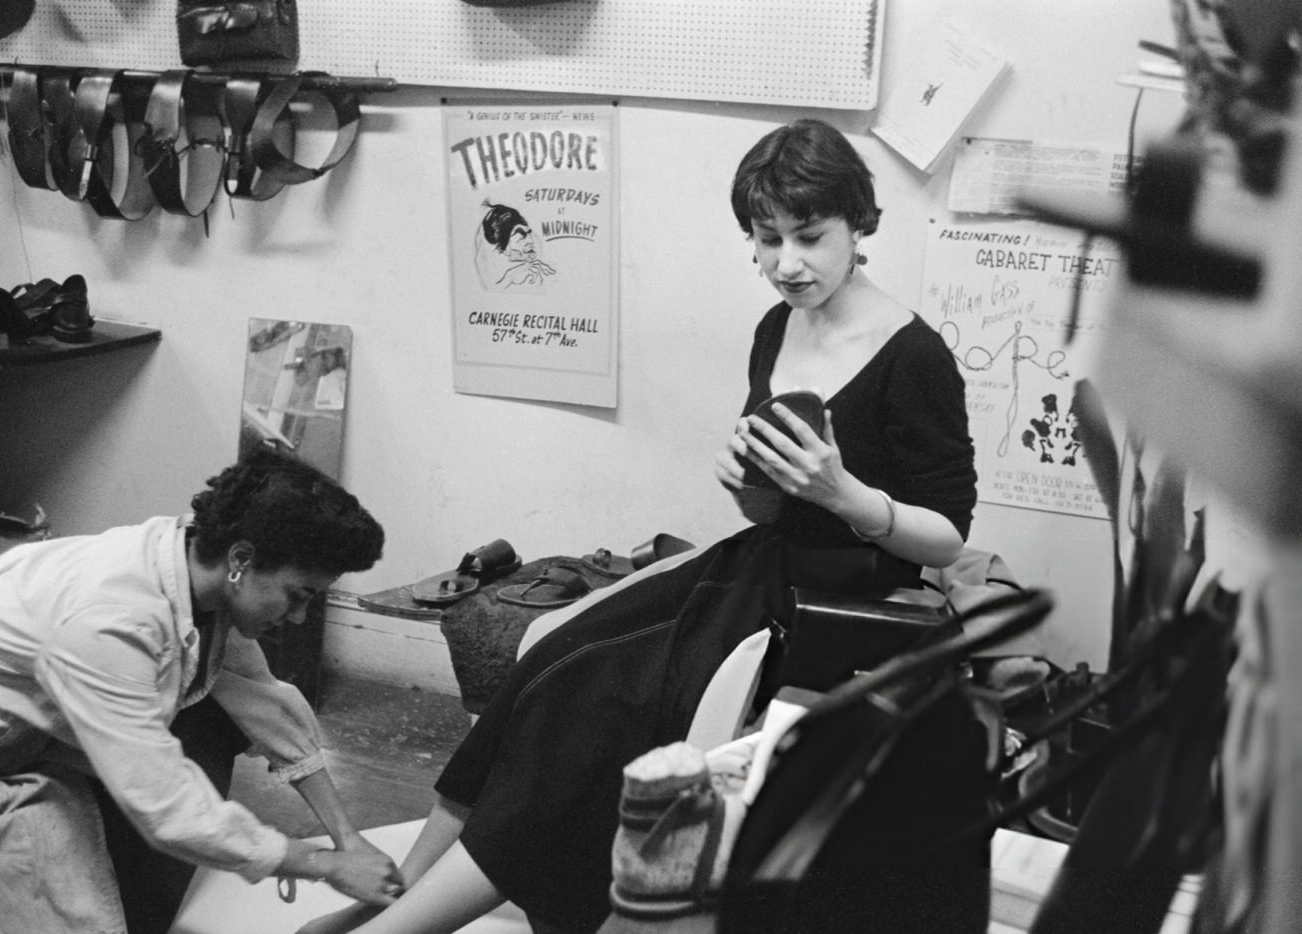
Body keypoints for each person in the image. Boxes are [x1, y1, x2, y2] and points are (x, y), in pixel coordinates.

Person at [299, 117, 977, 934]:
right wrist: (752, 488)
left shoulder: (914, 356)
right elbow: (771, 505)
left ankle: (404, 925)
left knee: (591, 707)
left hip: (849, 605)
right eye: (767, 240)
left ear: (858, 224)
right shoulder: (777, 325)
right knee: (549, 657)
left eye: (810, 236)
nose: (787, 262)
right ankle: (400, 889)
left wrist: (843, 494)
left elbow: (947, 537)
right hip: (762, 563)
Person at [0, 448, 406, 933]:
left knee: (213, 718)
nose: (297, 616)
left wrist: (348, 838)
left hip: (24, 737)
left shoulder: (197, 572)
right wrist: (321, 864)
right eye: (298, 596)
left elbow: (266, 701)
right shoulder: (113, 619)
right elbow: (165, 806)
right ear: (242, 559)